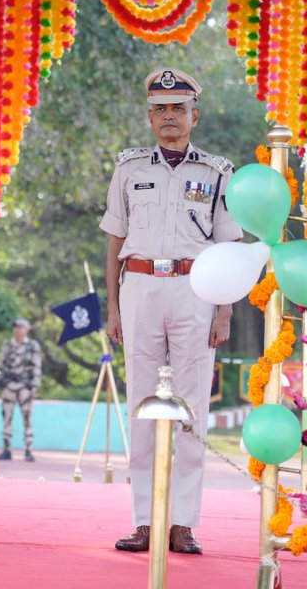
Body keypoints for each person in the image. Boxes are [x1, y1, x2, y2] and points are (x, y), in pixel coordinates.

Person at [100, 67, 242, 556]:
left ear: (194, 115)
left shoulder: (218, 172)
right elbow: (114, 239)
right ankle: (144, 520)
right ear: (149, 116)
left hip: (195, 289)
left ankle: (182, 521)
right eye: (159, 108)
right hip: (139, 284)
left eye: (177, 108)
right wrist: (113, 307)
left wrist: (224, 313)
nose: (168, 117)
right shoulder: (129, 168)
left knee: (191, 407)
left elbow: (227, 246)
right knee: (142, 403)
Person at [0, 317, 42, 462]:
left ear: (27, 329)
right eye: (15, 326)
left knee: (27, 418)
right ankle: (6, 449)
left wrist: (34, 387)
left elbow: (36, 367)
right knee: (7, 417)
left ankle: (28, 450)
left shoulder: (32, 346)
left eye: (20, 327)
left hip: (25, 387)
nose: (17, 329)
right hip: (9, 385)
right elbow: (0, 365)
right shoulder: (8, 345)